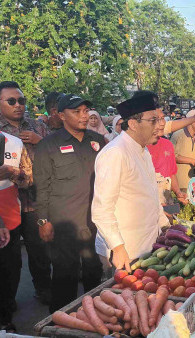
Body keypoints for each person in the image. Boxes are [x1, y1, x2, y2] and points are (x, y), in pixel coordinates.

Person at [34, 94, 105, 313]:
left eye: (85, 111)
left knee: (94, 273)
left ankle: (96, 318)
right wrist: (43, 221)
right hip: (64, 223)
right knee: (65, 275)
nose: (84, 116)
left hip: (93, 221)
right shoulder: (48, 145)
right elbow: (42, 187)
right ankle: (60, 321)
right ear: (61, 115)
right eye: (77, 112)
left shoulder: (98, 141)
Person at [92, 93, 170, 273]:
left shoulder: (143, 150)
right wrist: (118, 248)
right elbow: (101, 210)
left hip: (147, 247)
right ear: (134, 124)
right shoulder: (116, 153)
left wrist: (165, 225)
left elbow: (151, 194)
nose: (159, 126)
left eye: (159, 120)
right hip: (125, 252)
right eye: (153, 120)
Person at [0, 81, 51, 304]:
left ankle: (44, 290)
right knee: (9, 258)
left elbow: (58, 150)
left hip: (35, 200)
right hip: (6, 204)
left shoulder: (37, 126)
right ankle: (7, 306)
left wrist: (42, 142)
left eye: (21, 100)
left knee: (40, 250)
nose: (18, 105)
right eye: (11, 101)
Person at [0, 131, 32, 333]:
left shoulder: (14, 142)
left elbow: (29, 179)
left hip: (11, 217)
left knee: (10, 269)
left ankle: (6, 308)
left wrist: (12, 173)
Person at [171, 110, 195, 191]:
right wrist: (192, 161)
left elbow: (194, 157)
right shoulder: (178, 135)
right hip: (179, 184)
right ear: (191, 121)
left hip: (190, 183)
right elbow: (171, 156)